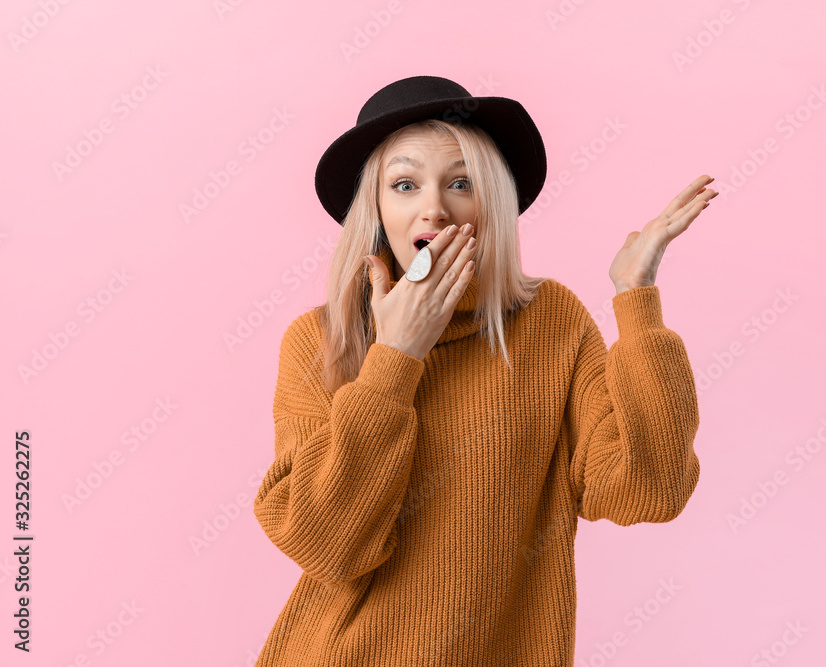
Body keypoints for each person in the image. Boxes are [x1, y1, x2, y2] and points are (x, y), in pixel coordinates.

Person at [252, 75, 716, 666]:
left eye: (461, 183)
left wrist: (636, 298)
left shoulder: (552, 323)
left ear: (489, 202)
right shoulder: (321, 342)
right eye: (404, 183)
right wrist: (396, 358)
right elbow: (326, 546)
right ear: (375, 208)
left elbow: (649, 490)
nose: (434, 207)